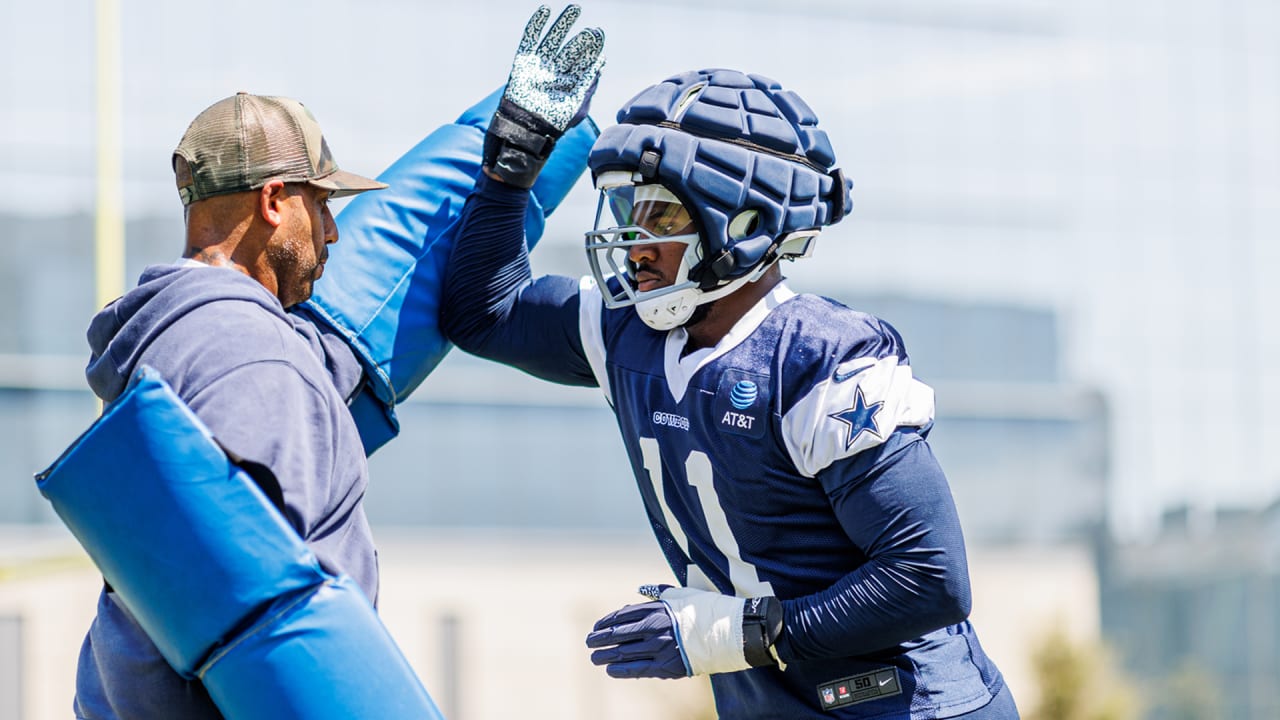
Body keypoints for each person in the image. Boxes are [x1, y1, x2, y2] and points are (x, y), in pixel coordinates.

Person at [440, 68, 1020, 718]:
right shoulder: (626, 333)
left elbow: (930, 580)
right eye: (628, 212)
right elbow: (482, 313)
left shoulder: (819, 361)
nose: (632, 243)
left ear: (742, 224)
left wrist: (733, 633)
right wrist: (508, 174)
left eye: (658, 213)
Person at [71, 92, 387, 718]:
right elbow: (262, 617)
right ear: (273, 202)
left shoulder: (168, 337)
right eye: (320, 203)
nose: (332, 230)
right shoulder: (255, 356)